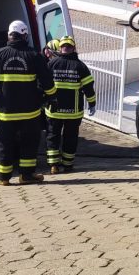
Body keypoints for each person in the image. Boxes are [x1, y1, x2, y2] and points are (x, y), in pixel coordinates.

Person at [0, 20, 55, 186]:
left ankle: (3, 178)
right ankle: (26, 175)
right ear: (24, 35)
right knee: (29, 142)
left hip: (5, 112)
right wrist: (52, 97)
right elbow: (47, 80)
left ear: (9, 35)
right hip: (29, 112)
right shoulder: (34, 55)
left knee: (4, 143)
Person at [44, 36, 96, 175]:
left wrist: (43, 100)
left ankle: (53, 165)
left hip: (53, 110)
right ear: (73, 49)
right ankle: (67, 165)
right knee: (70, 137)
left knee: (53, 136)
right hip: (73, 111)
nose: (65, 48)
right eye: (65, 46)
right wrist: (92, 103)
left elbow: (43, 84)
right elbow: (88, 88)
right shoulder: (80, 66)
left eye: (66, 46)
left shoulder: (52, 64)